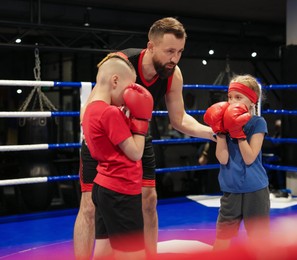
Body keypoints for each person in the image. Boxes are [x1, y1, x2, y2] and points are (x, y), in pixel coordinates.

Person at [73, 17, 214, 259]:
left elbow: (179, 119)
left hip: (138, 135)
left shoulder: (173, 74)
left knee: (149, 199)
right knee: (89, 205)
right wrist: (116, 120)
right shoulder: (120, 63)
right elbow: (89, 111)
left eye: (179, 52)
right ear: (150, 46)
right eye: (169, 51)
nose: (175, 58)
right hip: (106, 138)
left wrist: (212, 133)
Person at [82, 52, 153, 259]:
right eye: (128, 87)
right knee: (134, 255)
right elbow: (135, 152)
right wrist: (141, 121)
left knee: (104, 254)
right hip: (121, 191)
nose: (128, 95)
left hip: (104, 187)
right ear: (115, 80)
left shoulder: (90, 111)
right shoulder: (109, 113)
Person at [203, 74, 270, 250]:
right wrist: (221, 132)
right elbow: (222, 158)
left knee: (259, 241)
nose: (232, 101)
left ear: (252, 101)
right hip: (230, 189)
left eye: (238, 97)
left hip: (255, 190)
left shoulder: (258, 123)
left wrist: (238, 132)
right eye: (230, 97)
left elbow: (249, 158)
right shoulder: (223, 124)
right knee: (222, 239)